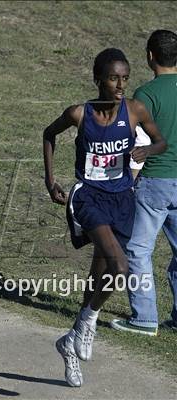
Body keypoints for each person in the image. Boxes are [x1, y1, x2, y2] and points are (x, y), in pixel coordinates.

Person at [43, 48, 166, 387]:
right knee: (121, 267)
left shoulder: (135, 110)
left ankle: (72, 339)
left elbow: (161, 142)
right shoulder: (79, 114)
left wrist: (146, 150)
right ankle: (88, 322)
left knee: (101, 272)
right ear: (98, 79)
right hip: (88, 197)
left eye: (125, 78)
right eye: (113, 78)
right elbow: (48, 134)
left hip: (122, 199)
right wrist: (50, 180)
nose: (120, 85)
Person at [111, 30, 177, 335]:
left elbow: (136, 148)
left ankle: (145, 317)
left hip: (155, 182)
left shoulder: (145, 95)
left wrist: (127, 183)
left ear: (150, 56)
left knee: (137, 249)